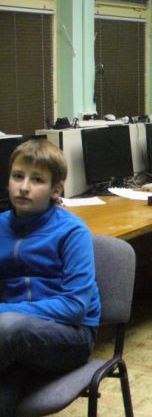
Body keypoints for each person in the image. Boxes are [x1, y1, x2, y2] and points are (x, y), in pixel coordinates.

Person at [0, 140, 100, 414]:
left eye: (37, 180)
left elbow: (74, 307)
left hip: (71, 336)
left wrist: (5, 312)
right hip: (11, 338)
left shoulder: (72, 232)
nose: (23, 187)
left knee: (9, 327)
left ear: (56, 190)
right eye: (18, 176)